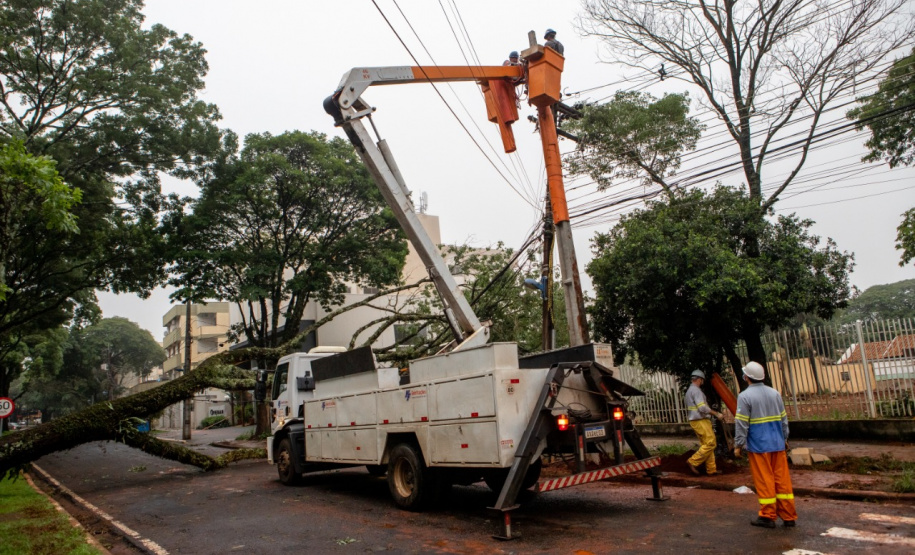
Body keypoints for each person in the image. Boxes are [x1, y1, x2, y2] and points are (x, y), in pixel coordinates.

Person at [734, 361, 798, 529]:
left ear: (746, 377)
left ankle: (768, 516)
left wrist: (738, 445)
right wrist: (785, 438)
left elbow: (741, 423)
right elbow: (784, 419)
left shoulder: (744, 396)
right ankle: (789, 516)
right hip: (777, 444)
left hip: (758, 446)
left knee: (765, 480)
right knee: (782, 481)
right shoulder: (774, 393)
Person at [685, 370, 724, 475]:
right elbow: (702, 407)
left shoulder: (690, 391)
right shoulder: (696, 391)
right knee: (711, 443)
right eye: (702, 380)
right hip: (700, 420)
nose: (702, 382)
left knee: (706, 445)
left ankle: (711, 470)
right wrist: (716, 414)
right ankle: (693, 461)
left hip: (696, 421)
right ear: (699, 379)